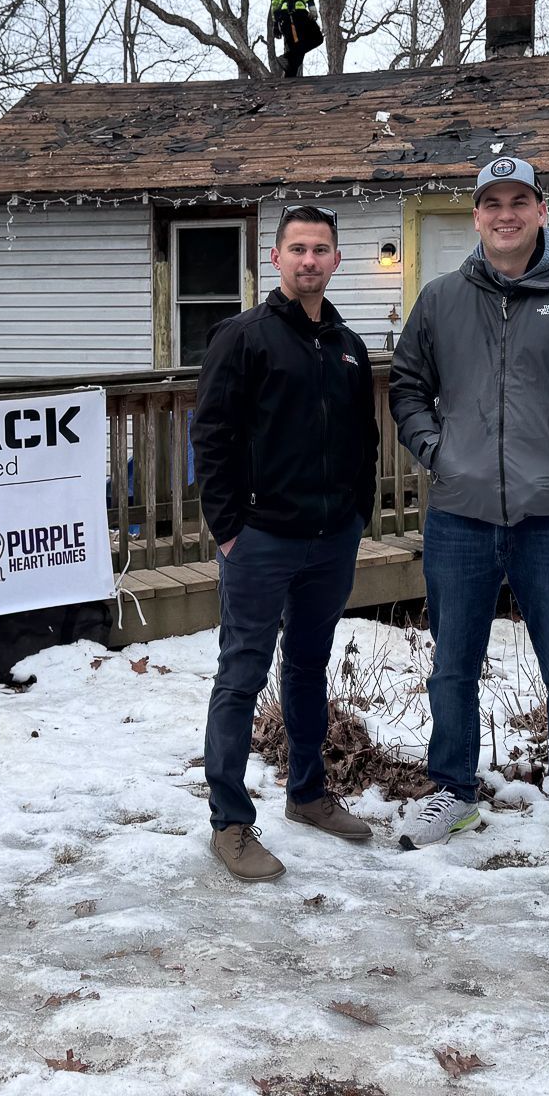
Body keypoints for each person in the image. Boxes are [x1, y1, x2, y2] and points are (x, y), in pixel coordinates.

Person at [389, 157, 549, 869]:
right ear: (476, 216)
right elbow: (408, 386)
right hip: (459, 514)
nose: (506, 214)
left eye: (519, 201)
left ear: (541, 210)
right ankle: (452, 791)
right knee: (453, 667)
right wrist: (438, 452)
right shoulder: (441, 299)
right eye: (492, 202)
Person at [191, 204, 379, 881]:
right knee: (241, 674)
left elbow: (365, 439)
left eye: (321, 249)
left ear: (336, 259)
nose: (309, 260)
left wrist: (357, 513)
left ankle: (307, 793)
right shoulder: (243, 338)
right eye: (297, 248)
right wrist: (230, 528)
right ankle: (230, 822)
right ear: (275, 259)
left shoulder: (351, 346)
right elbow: (210, 436)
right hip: (262, 539)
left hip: (331, 540)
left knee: (306, 667)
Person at [270, 0, 326, 77]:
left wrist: (275, 23)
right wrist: (310, 2)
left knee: (294, 60)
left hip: (284, 17)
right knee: (316, 38)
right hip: (296, 13)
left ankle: (287, 90)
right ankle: (287, 57)